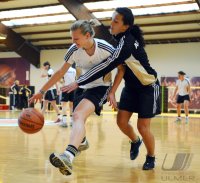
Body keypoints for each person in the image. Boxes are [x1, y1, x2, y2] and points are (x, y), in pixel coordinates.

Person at [64, 7, 161, 171]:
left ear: (126, 26)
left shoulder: (127, 43)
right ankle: (136, 141)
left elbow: (106, 66)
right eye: (112, 19)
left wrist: (78, 81)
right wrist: (112, 91)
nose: (112, 23)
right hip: (131, 88)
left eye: (116, 21)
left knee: (143, 127)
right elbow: (121, 70)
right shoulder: (119, 40)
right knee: (121, 122)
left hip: (148, 87)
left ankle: (151, 156)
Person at [29, 20, 115, 175]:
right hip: (80, 86)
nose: (72, 42)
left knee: (77, 115)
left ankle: (68, 156)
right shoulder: (73, 50)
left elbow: (122, 67)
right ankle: (82, 141)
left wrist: (113, 91)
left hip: (100, 87)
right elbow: (60, 72)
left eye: (76, 39)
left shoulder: (105, 48)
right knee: (78, 119)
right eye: (72, 38)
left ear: (87, 35)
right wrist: (41, 91)